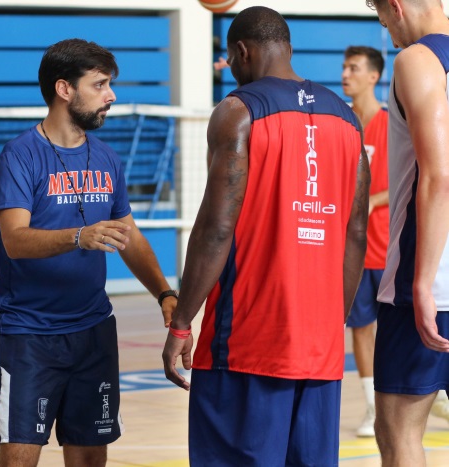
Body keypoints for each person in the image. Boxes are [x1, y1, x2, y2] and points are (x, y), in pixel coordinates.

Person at [162, 7, 370, 465]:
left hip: (247, 343)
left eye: (231, 60)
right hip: (320, 348)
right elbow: (356, 233)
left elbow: (217, 228)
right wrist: (331, 323)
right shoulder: (348, 122)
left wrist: (182, 322)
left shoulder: (238, 111)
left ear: (241, 51)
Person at [0, 38, 177, 467]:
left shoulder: (108, 158)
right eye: (100, 85)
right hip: (29, 335)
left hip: (94, 332)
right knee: (19, 457)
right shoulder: (19, 156)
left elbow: (127, 233)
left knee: (92, 459)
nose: (111, 96)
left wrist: (164, 293)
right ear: (64, 90)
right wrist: (79, 236)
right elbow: (14, 239)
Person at [365, 1, 449, 464]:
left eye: (380, 13)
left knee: (398, 429)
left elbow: (438, 176)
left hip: (432, 283)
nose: (384, 27)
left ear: (395, 6)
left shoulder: (418, 59)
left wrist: (420, 283)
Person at [341, 45, 390, 438]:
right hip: (353, 246)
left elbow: (421, 172)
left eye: (353, 68)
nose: (345, 74)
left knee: (397, 327)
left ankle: (430, 392)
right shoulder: (342, 122)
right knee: (361, 328)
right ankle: (373, 407)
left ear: (373, 76)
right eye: (344, 67)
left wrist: (373, 199)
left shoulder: (391, 124)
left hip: (389, 244)